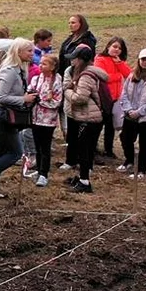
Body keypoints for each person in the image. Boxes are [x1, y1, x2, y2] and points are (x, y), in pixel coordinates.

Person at [0, 39, 37, 199]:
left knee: (1, 152)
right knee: (15, 153)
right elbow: (1, 97)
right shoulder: (10, 71)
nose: (32, 54)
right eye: (29, 51)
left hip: (6, 115)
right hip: (0, 116)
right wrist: (23, 99)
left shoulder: (20, 70)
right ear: (18, 52)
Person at [62, 46, 107, 193]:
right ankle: (82, 177)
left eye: (75, 58)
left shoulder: (86, 76)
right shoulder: (90, 73)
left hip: (90, 117)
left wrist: (67, 91)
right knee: (84, 149)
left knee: (84, 150)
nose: (72, 60)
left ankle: (85, 181)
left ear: (81, 60)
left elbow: (80, 98)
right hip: (90, 116)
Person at [117, 49, 146, 178]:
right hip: (130, 114)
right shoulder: (132, 76)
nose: (145, 62)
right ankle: (129, 160)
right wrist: (129, 109)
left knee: (145, 144)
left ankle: (142, 169)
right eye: (143, 59)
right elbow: (124, 93)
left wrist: (139, 112)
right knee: (126, 139)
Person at [27, 53, 64, 187]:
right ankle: (38, 170)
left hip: (48, 121)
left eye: (44, 64)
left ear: (53, 67)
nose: (41, 66)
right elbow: (30, 91)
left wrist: (41, 101)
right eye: (40, 63)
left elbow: (56, 102)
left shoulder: (57, 81)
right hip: (35, 118)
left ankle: (44, 173)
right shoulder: (37, 78)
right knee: (37, 146)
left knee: (45, 147)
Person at [93, 37, 132, 158]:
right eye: (115, 46)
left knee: (111, 127)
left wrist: (119, 64)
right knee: (98, 126)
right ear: (108, 46)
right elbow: (103, 76)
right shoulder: (100, 59)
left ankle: (108, 149)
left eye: (120, 48)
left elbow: (129, 75)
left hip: (115, 99)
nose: (117, 50)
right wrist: (118, 76)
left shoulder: (118, 61)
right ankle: (93, 149)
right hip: (103, 98)